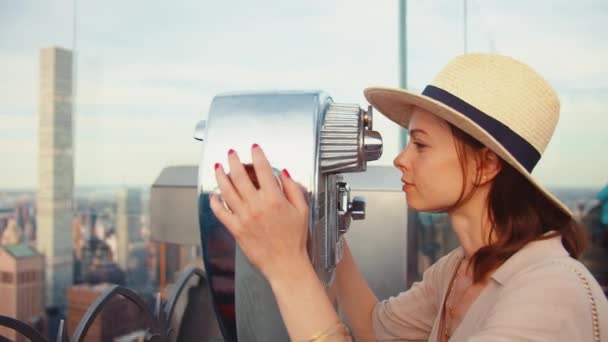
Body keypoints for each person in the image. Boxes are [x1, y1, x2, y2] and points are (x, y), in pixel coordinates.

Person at [209, 53, 608, 341]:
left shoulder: (551, 294)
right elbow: (372, 328)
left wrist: (287, 266)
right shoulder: (459, 270)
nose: (400, 160)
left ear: (486, 165)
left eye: (420, 144)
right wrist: (323, 223)